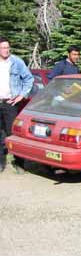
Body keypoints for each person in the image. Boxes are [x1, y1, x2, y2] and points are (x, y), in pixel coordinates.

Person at [0, 37, 34, 173]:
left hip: (10, 103)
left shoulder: (16, 62)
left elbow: (29, 79)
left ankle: (19, 163)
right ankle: (1, 163)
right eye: (2, 48)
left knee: (12, 133)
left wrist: (21, 95)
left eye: (7, 47)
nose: (5, 50)